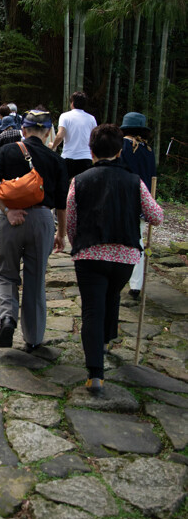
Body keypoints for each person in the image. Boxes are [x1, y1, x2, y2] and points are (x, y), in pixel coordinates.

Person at [67, 123, 163, 392]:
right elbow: (156, 216)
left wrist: (78, 245)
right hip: (124, 256)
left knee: (92, 309)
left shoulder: (79, 180)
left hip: (90, 255)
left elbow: (71, 221)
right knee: (111, 296)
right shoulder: (135, 181)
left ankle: (95, 374)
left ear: (91, 151)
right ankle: (106, 339)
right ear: (120, 151)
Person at [0, 108, 69, 351]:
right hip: (42, 219)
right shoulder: (56, 160)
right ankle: (33, 338)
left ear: (23, 129)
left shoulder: (8, 150)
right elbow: (61, 203)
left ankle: (7, 318)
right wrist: (61, 233)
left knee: (5, 273)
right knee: (35, 279)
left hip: (11, 219)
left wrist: (6, 210)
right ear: (49, 131)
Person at [119, 111, 158, 301]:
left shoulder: (123, 146)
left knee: (120, 238)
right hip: (144, 199)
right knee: (138, 240)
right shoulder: (148, 150)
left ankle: (120, 277)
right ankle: (136, 285)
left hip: (125, 198)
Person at [52, 92, 97, 180]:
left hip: (69, 157)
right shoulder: (91, 118)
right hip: (86, 157)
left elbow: (60, 135)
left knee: (64, 184)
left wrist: (53, 146)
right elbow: (95, 138)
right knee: (84, 185)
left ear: (72, 103)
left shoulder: (65, 116)